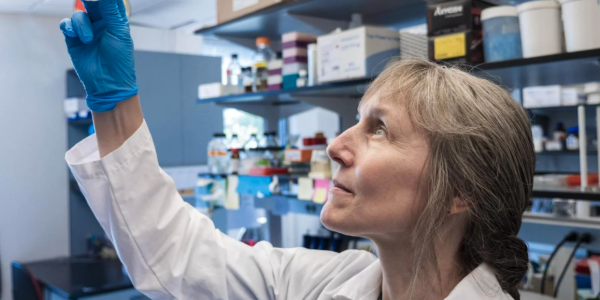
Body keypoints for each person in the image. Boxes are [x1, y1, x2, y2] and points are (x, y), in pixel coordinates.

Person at [60, 1, 534, 299]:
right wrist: (115, 102)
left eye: (380, 129)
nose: (336, 146)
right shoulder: (321, 283)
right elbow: (179, 255)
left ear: (461, 191)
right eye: (356, 120)